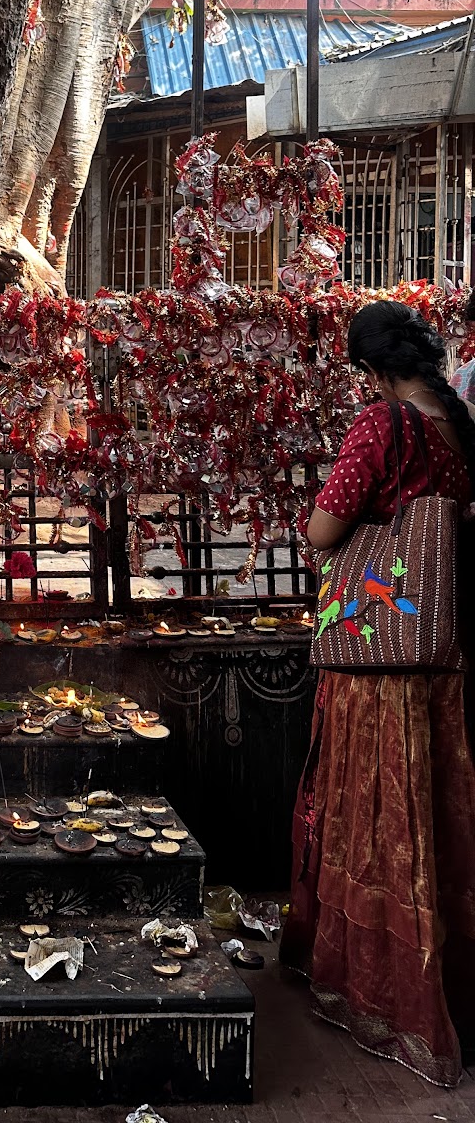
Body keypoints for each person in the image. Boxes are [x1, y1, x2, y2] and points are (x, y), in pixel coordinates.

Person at [282, 299, 475, 1086]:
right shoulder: (461, 430)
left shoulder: (383, 426)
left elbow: (325, 532)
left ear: (372, 369)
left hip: (378, 662)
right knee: (435, 823)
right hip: (446, 664)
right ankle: (446, 992)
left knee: (377, 822)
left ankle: (378, 994)